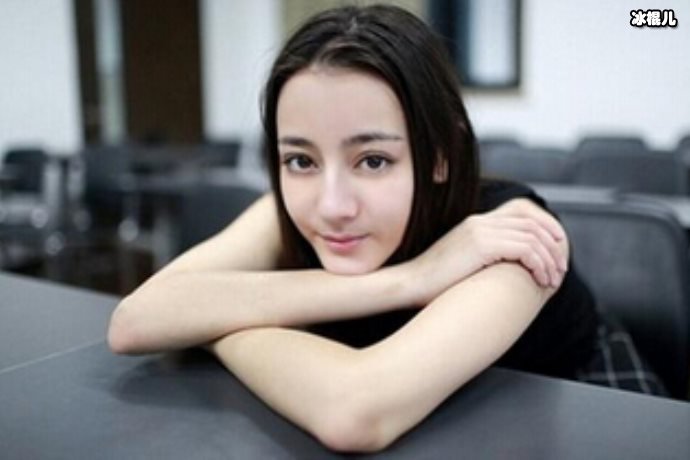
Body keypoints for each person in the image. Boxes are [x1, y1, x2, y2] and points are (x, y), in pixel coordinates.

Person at [107, 4, 665, 453]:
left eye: (372, 161)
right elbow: (134, 321)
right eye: (300, 160)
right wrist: (413, 278)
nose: (332, 205)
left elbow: (353, 412)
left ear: (439, 155)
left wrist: (212, 321)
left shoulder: (514, 234)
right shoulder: (290, 209)